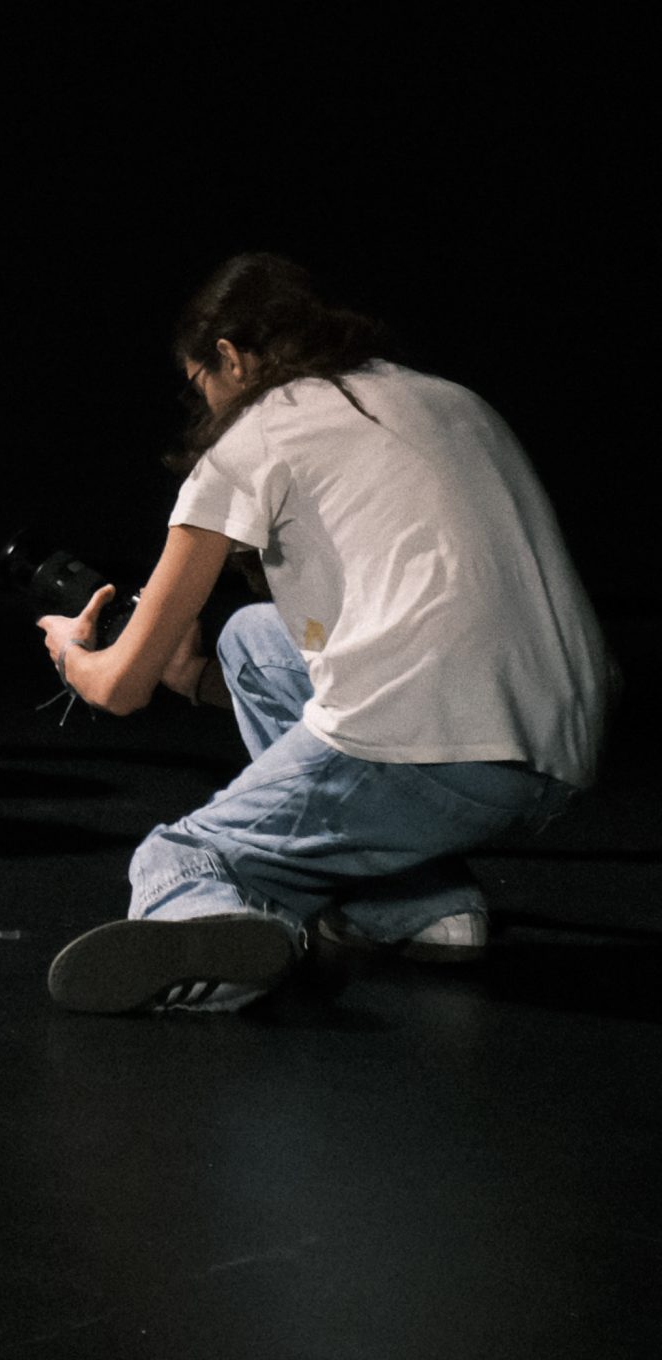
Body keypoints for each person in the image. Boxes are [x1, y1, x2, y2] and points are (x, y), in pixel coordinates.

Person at [36, 253, 613, 1016]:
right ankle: (424, 908)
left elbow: (120, 689)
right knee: (252, 641)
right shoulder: (452, 400)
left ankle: (220, 927)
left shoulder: (251, 441)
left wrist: (72, 654)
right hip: (559, 749)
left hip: (434, 745)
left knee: (184, 855)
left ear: (231, 358)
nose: (203, 403)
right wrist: (196, 679)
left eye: (198, 381)